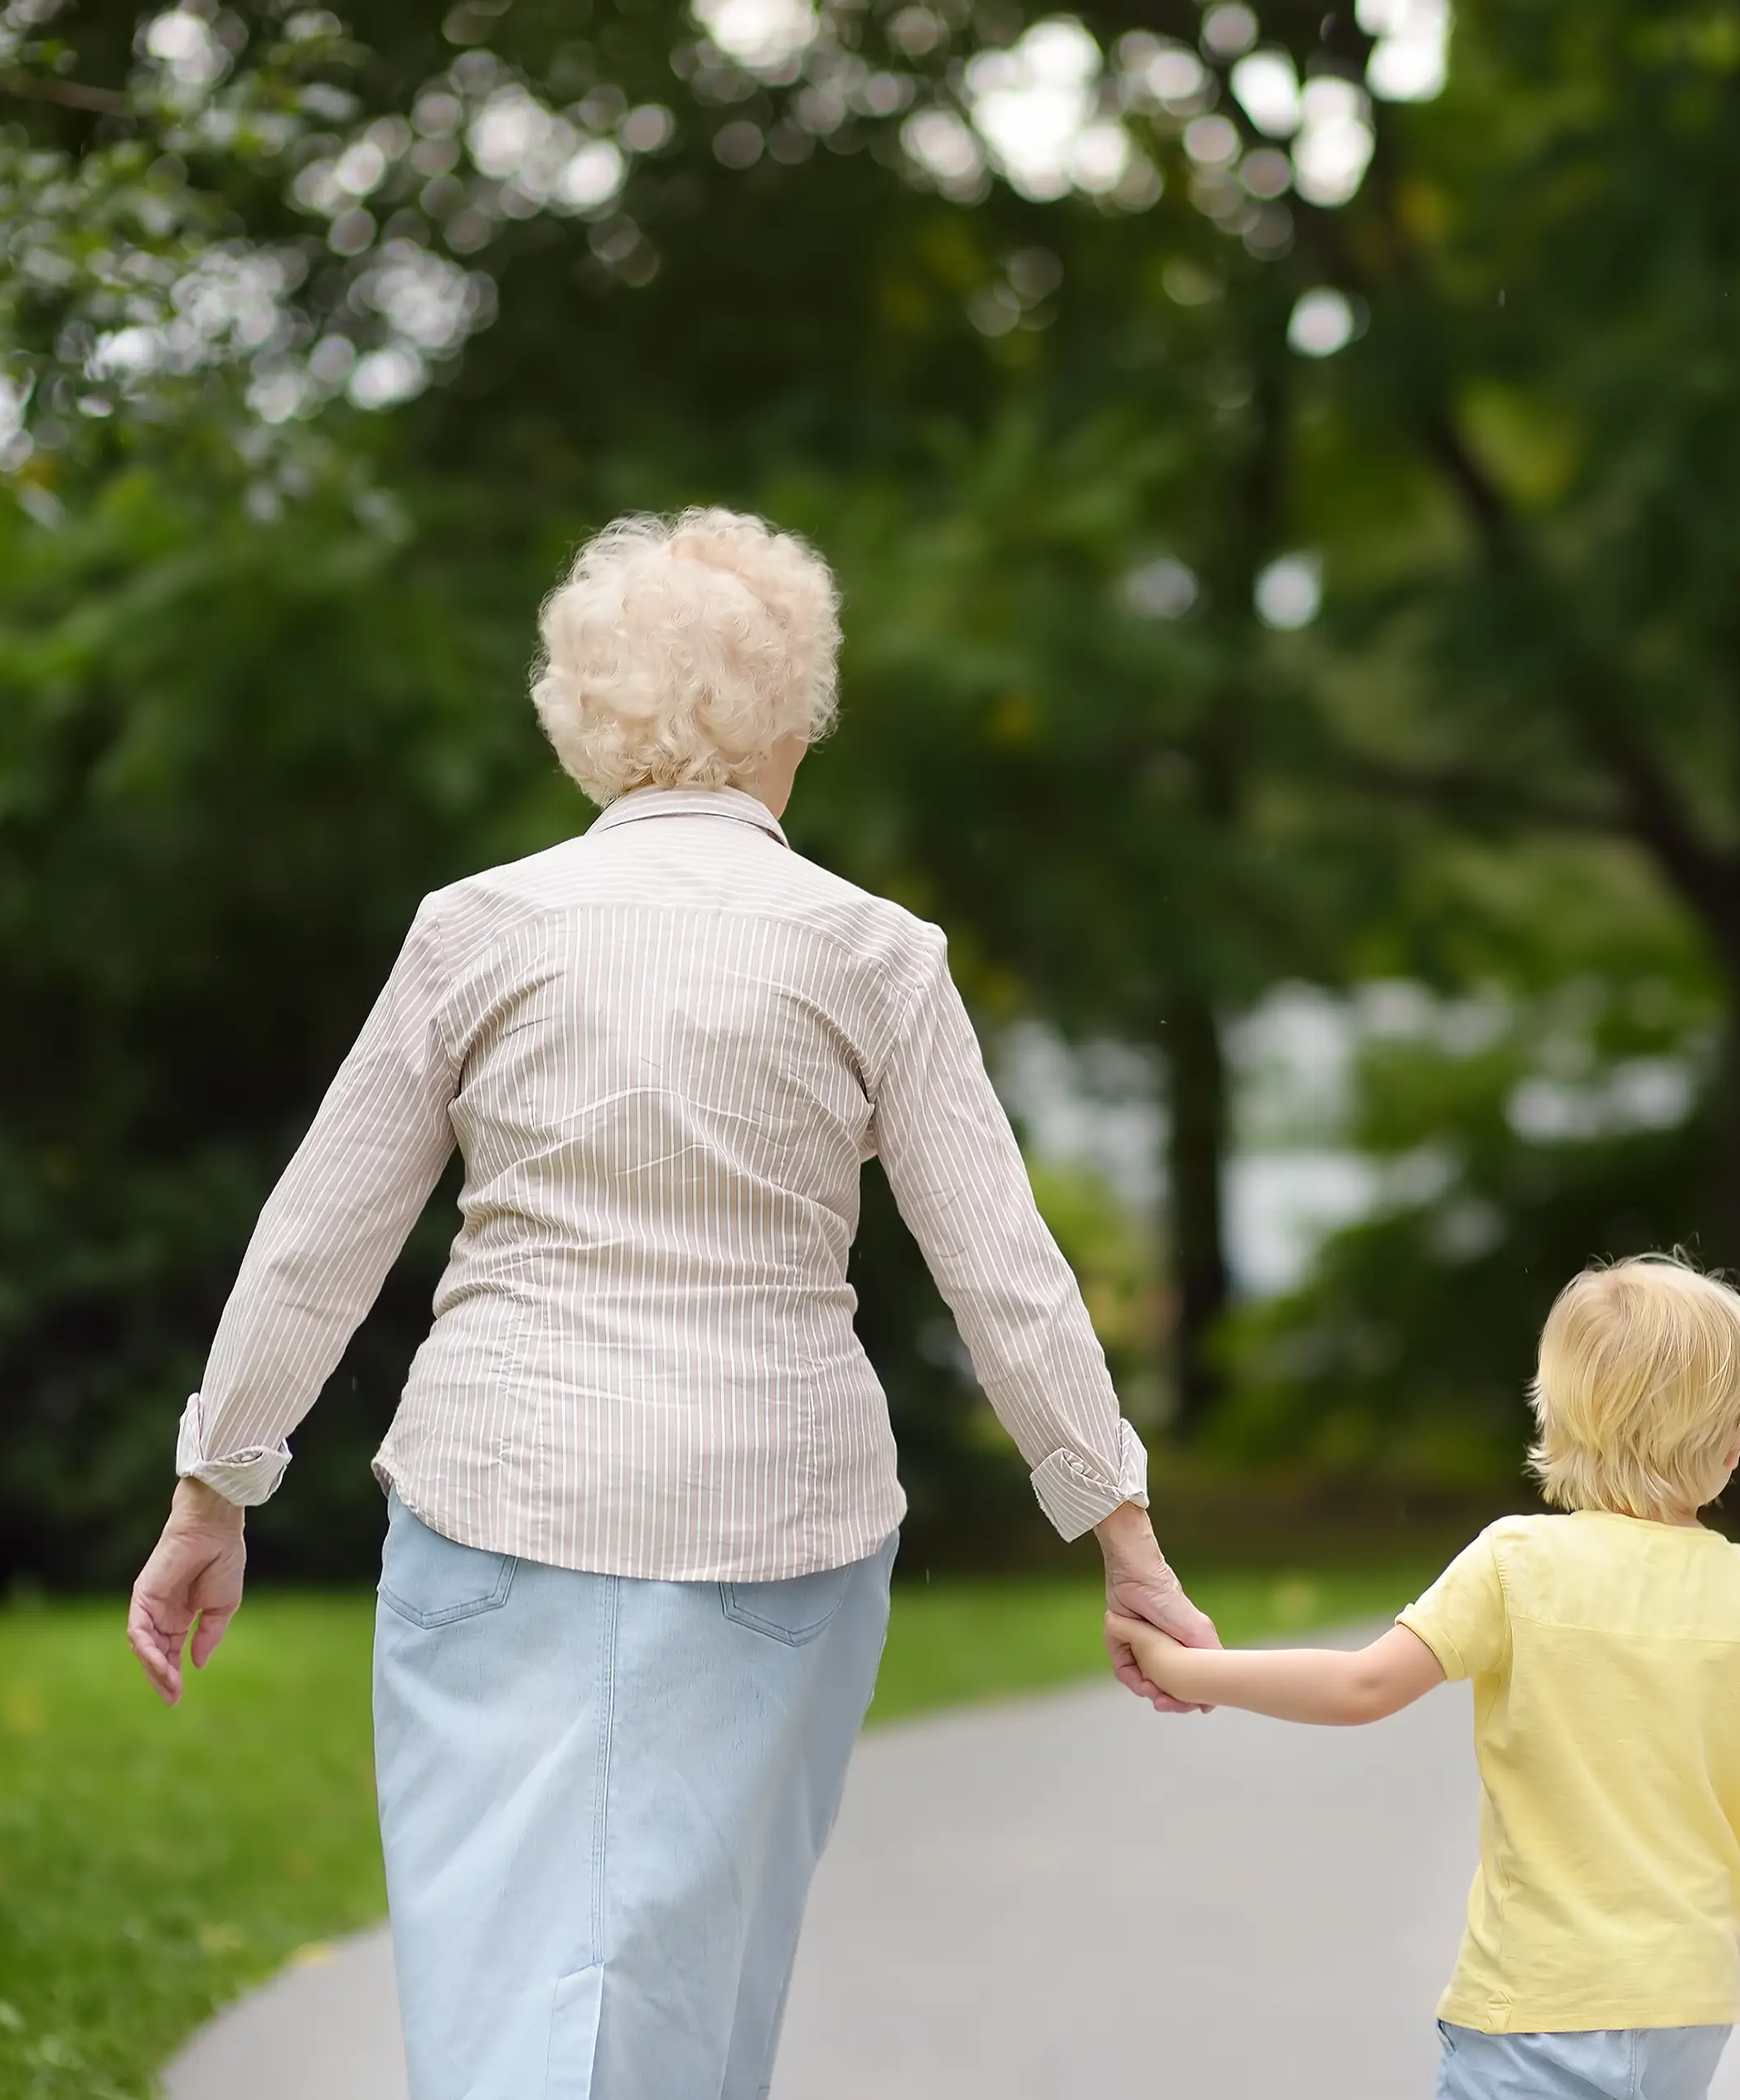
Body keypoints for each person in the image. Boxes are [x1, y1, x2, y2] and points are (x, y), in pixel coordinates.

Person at [123, 508, 1219, 2098]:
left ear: (584, 717)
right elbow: (1007, 1273)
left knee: (494, 1976)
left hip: (497, 1501)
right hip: (776, 1526)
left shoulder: (475, 931)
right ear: (794, 718)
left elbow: (318, 1238)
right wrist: (1119, 1529)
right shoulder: (874, 953)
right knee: (692, 2001)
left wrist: (212, 1486)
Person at [1117, 1254, 1740, 2100]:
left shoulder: (1516, 1562)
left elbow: (1362, 1687)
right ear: (1732, 1441)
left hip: (1534, 2007)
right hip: (1688, 2007)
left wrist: (1187, 1665)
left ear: (1560, 1416)